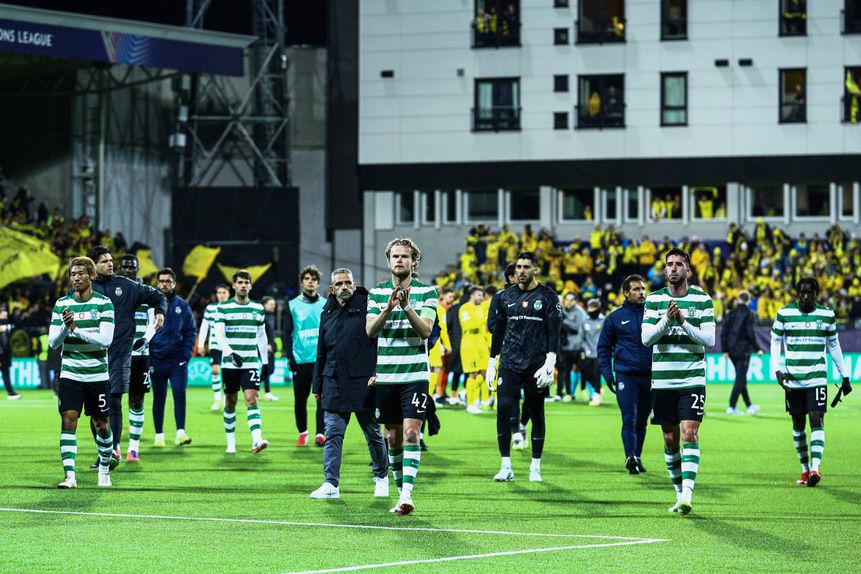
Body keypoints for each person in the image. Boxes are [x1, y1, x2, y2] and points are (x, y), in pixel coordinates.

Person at [366, 238, 438, 515]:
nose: (399, 260)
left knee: (411, 434)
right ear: (388, 261)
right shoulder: (376, 293)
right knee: (392, 439)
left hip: (415, 375)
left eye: (405, 257)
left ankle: (407, 494)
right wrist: (388, 307)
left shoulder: (427, 292)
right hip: (386, 375)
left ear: (414, 261)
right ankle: (400, 494)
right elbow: (370, 331)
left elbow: (425, 331)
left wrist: (407, 307)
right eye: (395, 256)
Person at [641, 248, 715, 515]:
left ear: (688, 270)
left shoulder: (702, 300)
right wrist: (666, 319)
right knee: (670, 439)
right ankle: (678, 494)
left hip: (692, 377)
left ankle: (687, 494)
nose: (673, 268)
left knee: (689, 434)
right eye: (669, 264)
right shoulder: (654, 300)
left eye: (679, 264)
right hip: (662, 381)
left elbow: (709, 340)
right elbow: (647, 339)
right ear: (664, 270)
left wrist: (683, 322)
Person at [309, 268, 388, 499]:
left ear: (354, 285)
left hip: (364, 381)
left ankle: (381, 478)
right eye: (340, 284)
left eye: (348, 283)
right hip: (333, 380)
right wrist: (317, 385)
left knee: (373, 433)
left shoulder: (367, 305)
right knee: (333, 433)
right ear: (332, 289)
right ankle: (331, 483)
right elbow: (321, 352)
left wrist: (378, 372)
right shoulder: (327, 311)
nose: (345, 287)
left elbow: (379, 343)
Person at [86, 246, 166, 466]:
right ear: (93, 265)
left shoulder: (127, 287)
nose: (110, 264)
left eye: (111, 260)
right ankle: (103, 451)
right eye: (104, 261)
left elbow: (158, 296)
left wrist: (160, 312)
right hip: (93, 356)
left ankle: (114, 451)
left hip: (122, 354)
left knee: (114, 402)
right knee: (95, 409)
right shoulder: (85, 288)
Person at [486, 252, 561, 483]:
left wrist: (551, 361)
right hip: (509, 362)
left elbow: (554, 331)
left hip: (536, 364)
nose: (521, 271)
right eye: (518, 266)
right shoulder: (503, 296)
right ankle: (505, 465)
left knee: (537, 413)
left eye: (526, 267)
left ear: (535, 269)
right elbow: (498, 330)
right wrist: (491, 362)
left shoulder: (548, 296)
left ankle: (535, 467)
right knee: (504, 409)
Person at [771, 278, 851, 487]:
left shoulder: (826, 315)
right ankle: (805, 470)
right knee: (798, 424)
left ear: (817, 293)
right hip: (793, 379)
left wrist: (845, 375)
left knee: (817, 419)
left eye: (810, 293)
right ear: (797, 293)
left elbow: (834, 345)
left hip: (816, 377)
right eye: (803, 293)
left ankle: (815, 468)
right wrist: (776, 370)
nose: (806, 296)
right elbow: (775, 342)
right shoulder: (784, 313)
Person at [49, 257, 116, 488]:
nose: (76, 277)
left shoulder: (104, 303)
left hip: (97, 374)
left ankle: (105, 469)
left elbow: (105, 340)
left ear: (92, 276)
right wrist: (65, 327)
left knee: (102, 425)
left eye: (80, 273)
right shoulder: (61, 305)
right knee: (68, 420)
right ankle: (70, 475)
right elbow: (53, 343)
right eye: (73, 274)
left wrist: (76, 329)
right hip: (71, 373)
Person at [598, 274, 653, 474]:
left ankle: (637, 456)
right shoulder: (615, 317)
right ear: (626, 293)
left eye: (643, 289)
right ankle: (630, 456)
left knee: (642, 420)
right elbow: (603, 348)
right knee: (629, 417)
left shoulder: (653, 314)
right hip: (626, 375)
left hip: (649, 376)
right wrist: (607, 373)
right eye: (637, 289)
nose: (641, 293)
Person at [215, 270, 270, 454]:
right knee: (230, 402)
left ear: (250, 286)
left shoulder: (258, 308)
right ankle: (231, 442)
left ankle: (256, 440)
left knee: (251, 399)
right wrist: (230, 353)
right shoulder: (223, 308)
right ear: (234, 285)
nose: (243, 285)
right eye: (240, 282)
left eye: (246, 282)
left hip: (250, 363)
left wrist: (266, 362)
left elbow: (262, 337)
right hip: (230, 364)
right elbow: (219, 335)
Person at [116, 255, 158, 463]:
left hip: (140, 355)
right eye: (124, 267)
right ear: (119, 268)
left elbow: (154, 321)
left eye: (131, 267)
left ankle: (133, 448)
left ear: (137, 269)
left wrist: (145, 339)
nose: (127, 270)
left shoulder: (145, 292)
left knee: (136, 400)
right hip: (116, 354)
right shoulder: (113, 290)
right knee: (114, 400)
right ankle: (114, 446)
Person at [149, 268, 197, 448]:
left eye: (168, 281)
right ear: (157, 283)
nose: (164, 284)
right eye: (161, 281)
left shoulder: (182, 306)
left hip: (177, 360)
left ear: (174, 283)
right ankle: (159, 435)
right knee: (158, 397)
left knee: (179, 394)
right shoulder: (150, 306)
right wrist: (150, 356)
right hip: (157, 359)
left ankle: (180, 432)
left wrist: (186, 355)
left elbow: (191, 331)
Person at [283, 265, 326, 447]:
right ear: (302, 282)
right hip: (300, 360)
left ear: (318, 282)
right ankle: (303, 433)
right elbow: (287, 332)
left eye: (314, 279)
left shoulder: (325, 303)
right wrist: (290, 357)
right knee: (300, 400)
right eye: (307, 278)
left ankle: (320, 434)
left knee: (322, 398)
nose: (311, 282)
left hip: (320, 360)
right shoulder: (292, 304)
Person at [721, 290, 763, 416]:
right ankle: (732, 406)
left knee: (741, 377)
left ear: (738, 299)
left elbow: (723, 332)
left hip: (731, 350)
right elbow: (750, 333)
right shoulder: (749, 313)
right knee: (740, 379)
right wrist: (757, 348)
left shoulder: (730, 313)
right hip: (743, 350)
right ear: (748, 301)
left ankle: (749, 405)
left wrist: (725, 350)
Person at [197, 284, 231, 410]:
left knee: (228, 373)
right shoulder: (210, 308)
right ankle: (217, 399)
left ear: (229, 294)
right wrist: (200, 345)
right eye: (219, 292)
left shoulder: (233, 307)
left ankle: (226, 398)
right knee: (215, 370)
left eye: (224, 292)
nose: (221, 295)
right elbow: (205, 326)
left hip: (229, 346)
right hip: (215, 344)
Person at [459, 286, 491, 414]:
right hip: (469, 345)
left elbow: (485, 329)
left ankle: (465, 392)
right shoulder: (465, 308)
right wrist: (483, 319)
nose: (481, 297)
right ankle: (471, 404)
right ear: (471, 295)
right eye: (479, 295)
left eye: (482, 295)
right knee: (472, 374)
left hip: (481, 345)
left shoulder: (480, 309)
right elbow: (468, 325)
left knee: (485, 373)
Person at [558, 292, 586, 402]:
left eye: (571, 300)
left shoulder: (579, 312)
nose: (568, 302)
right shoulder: (565, 312)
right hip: (567, 346)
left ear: (575, 301)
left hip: (578, 346)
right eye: (567, 300)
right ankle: (569, 393)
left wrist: (563, 322)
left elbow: (577, 328)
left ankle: (587, 391)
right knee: (567, 370)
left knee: (584, 370)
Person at [581, 298, 605, 406]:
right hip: (587, 352)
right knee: (586, 373)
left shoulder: (604, 320)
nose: (591, 310)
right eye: (589, 308)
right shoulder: (584, 321)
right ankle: (598, 389)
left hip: (600, 352)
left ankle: (596, 396)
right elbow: (582, 338)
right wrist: (585, 349)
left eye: (593, 308)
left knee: (596, 373)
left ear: (598, 309)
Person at [0, 307, 20, 400]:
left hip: (5, 355)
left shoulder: (5, 324)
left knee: (6, 374)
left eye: (6, 314)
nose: (6, 316)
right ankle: (11, 393)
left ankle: (11, 393)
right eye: (4, 314)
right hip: (1, 355)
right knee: (5, 374)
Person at [261, 296, 278, 401]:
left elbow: (271, 332)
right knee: (267, 369)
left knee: (270, 369)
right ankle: (267, 393)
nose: (273, 306)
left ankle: (254, 383)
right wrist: (266, 344)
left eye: (274, 304)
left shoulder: (271, 316)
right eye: (271, 304)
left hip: (271, 346)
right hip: (265, 346)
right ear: (264, 305)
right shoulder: (261, 316)